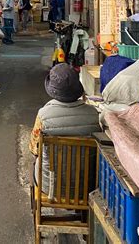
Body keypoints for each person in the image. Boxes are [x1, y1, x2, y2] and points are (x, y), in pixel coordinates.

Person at [29, 63, 100, 194]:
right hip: (86, 188)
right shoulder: (94, 114)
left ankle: (37, 210)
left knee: (35, 162)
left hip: (50, 187)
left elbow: (34, 149)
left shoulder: (43, 116)